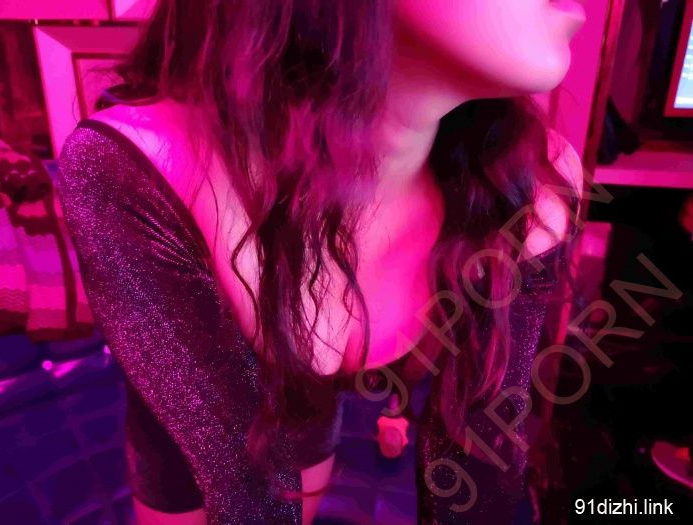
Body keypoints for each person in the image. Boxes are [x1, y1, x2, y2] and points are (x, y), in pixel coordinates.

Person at [56, 1, 586, 523]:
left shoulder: (532, 184)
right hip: (184, 435)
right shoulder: (134, 168)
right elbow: (248, 490)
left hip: (301, 421)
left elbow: (483, 463)